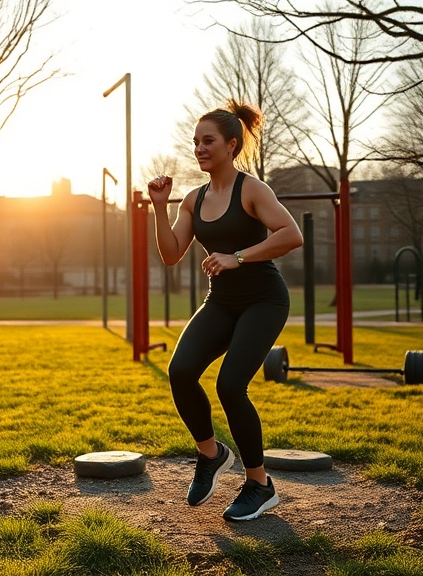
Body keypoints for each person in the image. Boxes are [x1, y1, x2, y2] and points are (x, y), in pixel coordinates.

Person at [146, 100, 303, 521]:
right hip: (221, 302)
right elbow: (171, 253)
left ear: (231, 145)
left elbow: (292, 235)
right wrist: (160, 207)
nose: (199, 148)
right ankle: (211, 454)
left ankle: (259, 483)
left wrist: (240, 255)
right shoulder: (193, 201)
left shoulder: (252, 190)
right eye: (195, 142)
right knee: (180, 372)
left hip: (263, 300)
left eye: (208, 141)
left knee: (231, 386)